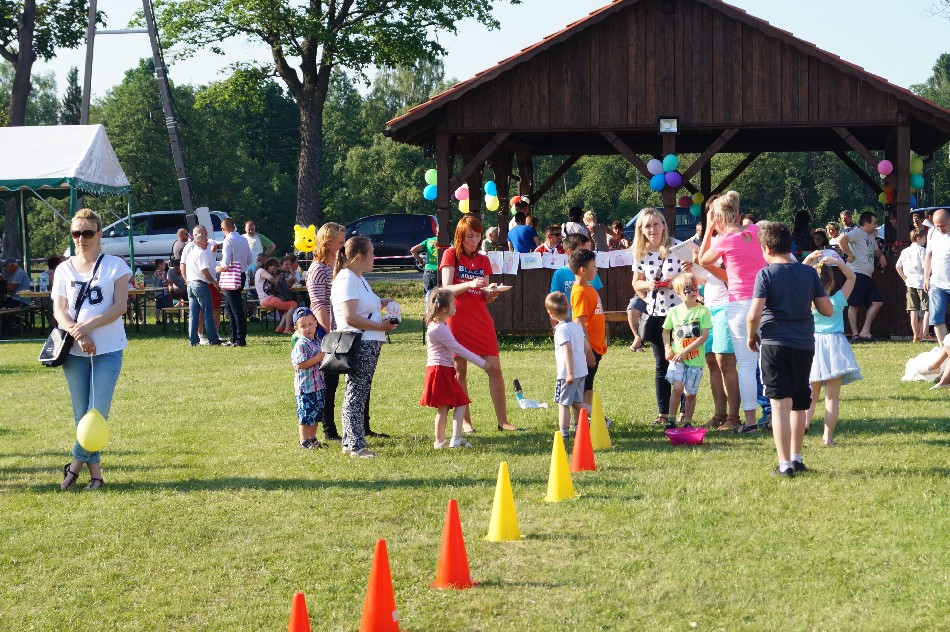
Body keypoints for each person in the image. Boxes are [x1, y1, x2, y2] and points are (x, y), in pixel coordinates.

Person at [52, 208, 132, 491]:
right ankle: (96, 475)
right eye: (76, 233)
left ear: (98, 234)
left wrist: (87, 327)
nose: (81, 239)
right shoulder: (64, 269)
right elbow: (59, 310)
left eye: (87, 233)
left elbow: (119, 307)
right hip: (73, 353)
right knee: (81, 416)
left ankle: (73, 467)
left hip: (108, 350)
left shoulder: (115, 266)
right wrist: (78, 333)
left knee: (97, 414)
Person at [747, 222, 833, 477]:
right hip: (804, 344)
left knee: (779, 406)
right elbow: (827, 310)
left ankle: (784, 465)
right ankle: (796, 458)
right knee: (798, 403)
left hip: (774, 344)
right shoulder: (808, 273)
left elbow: (754, 315)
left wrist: (751, 336)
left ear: (767, 248)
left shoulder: (765, 274)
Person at [440, 215, 521, 432]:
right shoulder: (450, 255)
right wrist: (469, 284)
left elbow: (483, 295)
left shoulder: (483, 260)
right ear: (460, 236)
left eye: (477, 236)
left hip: (481, 319)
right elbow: (445, 289)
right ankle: (465, 422)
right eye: (469, 236)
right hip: (456, 319)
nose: (474, 241)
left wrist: (491, 293)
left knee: (494, 368)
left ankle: (503, 421)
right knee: (460, 370)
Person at [698, 191, 766, 432]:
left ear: (717, 218)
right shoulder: (756, 231)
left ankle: (750, 421)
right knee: (771, 361)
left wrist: (709, 230)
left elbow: (702, 259)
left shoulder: (723, 241)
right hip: (765, 300)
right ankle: (780, 412)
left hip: (739, 305)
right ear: (737, 213)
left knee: (746, 365)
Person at [332, 236, 399, 458]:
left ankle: (350, 441)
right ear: (360, 255)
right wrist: (380, 326)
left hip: (367, 341)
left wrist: (384, 303)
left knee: (357, 392)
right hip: (359, 342)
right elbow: (350, 317)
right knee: (356, 393)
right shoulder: (347, 278)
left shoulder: (358, 278)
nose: (374, 257)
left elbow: (364, 306)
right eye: (372, 252)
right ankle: (355, 446)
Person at [633, 208, 692, 426]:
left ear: (664, 225)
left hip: (680, 314)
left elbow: (691, 277)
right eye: (647, 226)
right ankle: (664, 413)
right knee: (662, 365)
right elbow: (636, 283)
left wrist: (674, 283)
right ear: (641, 230)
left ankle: (684, 412)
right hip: (657, 314)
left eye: (656, 224)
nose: (652, 229)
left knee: (683, 362)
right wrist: (648, 285)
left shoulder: (678, 247)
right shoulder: (640, 253)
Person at [803, 252, 862, 446]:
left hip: (813, 346)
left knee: (810, 396)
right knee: (832, 398)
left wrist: (808, 261)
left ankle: (803, 425)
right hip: (835, 347)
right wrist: (838, 261)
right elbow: (852, 277)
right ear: (832, 282)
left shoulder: (807, 301)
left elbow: (797, 276)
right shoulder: (837, 300)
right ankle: (827, 438)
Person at [422, 289, 488, 449]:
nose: (455, 306)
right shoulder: (439, 329)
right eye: (453, 303)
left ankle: (453, 439)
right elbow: (458, 348)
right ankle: (443, 441)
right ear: (445, 308)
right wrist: (482, 363)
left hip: (443, 370)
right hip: (440, 371)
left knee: (457, 403)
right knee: (448, 406)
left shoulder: (440, 325)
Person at [306, 222, 346, 441]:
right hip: (326, 332)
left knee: (338, 381)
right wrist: (331, 333)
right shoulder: (318, 269)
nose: (343, 245)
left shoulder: (337, 267)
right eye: (340, 242)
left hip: (340, 328)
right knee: (328, 383)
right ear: (328, 243)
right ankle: (329, 430)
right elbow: (318, 304)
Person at [662, 272, 711, 429]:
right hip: (678, 359)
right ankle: (671, 419)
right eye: (688, 289)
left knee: (690, 393)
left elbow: (703, 336)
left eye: (695, 288)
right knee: (677, 388)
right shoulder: (674, 311)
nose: (693, 291)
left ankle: (687, 422)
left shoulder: (703, 311)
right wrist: (667, 348)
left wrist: (686, 351)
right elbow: (666, 331)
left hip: (695, 361)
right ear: (679, 293)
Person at [545, 291, 591, 442]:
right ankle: (598, 420)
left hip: (567, 374)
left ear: (551, 313)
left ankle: (564, 434)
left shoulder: (561, 330)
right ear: (569, 307)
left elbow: (568, 350)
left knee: (563, 403)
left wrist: (570, 373)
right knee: (577, 402)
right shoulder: (577, 327)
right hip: (581, 371)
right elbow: (586, 347)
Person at [837, 211, 887, 342]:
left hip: (867, 275)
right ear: (866, 223)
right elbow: (841, 240)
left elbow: (876, 250)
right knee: (853, 305)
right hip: (856, 273)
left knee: (877, 302)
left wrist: (881, 256)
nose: (876, 225)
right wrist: (849, 254)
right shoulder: (857, 232)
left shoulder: (870, 236)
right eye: (874, 223)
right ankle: (855, 335)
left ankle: (865, 332)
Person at [570, 248, 607, 411]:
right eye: (594, 266)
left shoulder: (589, 288)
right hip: (587, 347)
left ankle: (587, 418)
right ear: (583, 270)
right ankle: (581, 420)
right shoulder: (580, 292)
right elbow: (579, 323)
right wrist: (588, 350)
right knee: (583, 387)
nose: (596, 269)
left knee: (588, 384)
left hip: (595, 346)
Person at [291, 306, 325, 449]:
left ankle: (312, 437)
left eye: (310, 324)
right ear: (296, 328)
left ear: (316, 323)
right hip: (306, 388)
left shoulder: (317, 341)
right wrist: (318, 358)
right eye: (303, 326)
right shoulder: (301, 345)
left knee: (317, 414)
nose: (308, 328)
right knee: (306, 415)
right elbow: (299, 365)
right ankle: (304, 440)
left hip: (318, 385)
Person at [183, 225, 223, 346]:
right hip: (200, 285)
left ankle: (193, 340)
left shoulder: (191, 253)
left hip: (191, 285)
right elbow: (204, 271)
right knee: (207, 312)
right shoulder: (201, 253)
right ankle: (213, 338)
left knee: (193, 314)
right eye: (205, 241)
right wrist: (214, 282)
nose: (207, 243)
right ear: (199, 242)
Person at [216, 217, 253, 347]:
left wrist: (217, 268)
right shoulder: (243, 239)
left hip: (231, 276)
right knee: (230, 307)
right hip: (241, 274)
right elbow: (249, 259)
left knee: (236, 309)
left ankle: (240, 339)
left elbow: (225, 264)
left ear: (223, 229)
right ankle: (233, 337)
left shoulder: (228, 240)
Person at [550, 233, 604, 319]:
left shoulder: (591, 271)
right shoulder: (560, 273)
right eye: (583, 250)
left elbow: (596, 298)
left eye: (589, 250)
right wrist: (556, 325)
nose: (588, 254)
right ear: (569, 252)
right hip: (569, 321)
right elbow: (553, 302)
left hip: (590, 321)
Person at [896, 229, 930, 343]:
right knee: (927, 308)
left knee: (913, 309)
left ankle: (916, 335)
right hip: (921, 281)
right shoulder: (922, 250)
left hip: (910, 282)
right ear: (919, 238)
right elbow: (925, 266)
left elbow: (898, 266)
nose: (925, 241)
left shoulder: (905, 251)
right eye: (924, 238)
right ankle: (925, 333)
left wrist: (905, 279)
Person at [924, 208, 950, 347]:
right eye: (937, 225)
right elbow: (928, 255)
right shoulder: (932, 232)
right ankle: (944, 350)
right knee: (936, 318)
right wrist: (926, 277)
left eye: (943, 225)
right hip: (937, 284)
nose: (940, 229)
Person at [256, 257, 297, 333]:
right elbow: (271, 279)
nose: (274, 270)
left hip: (268, 298)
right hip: (267, 299)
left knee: (289, 307)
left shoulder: (264, 272)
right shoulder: (262, 271)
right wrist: (277, 282)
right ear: (269, 265)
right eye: (274, 268)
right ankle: (287, 329)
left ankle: (280, 328)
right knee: (293, 304)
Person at [410, 232, 439, 311]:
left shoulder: (428, 241)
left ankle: (428, 311)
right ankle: (437, 312)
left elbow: (413, 250)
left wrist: (421, 261)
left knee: (428, 292)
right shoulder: (448, 243)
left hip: (428, 270)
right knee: (440, 293)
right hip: (440, 271)